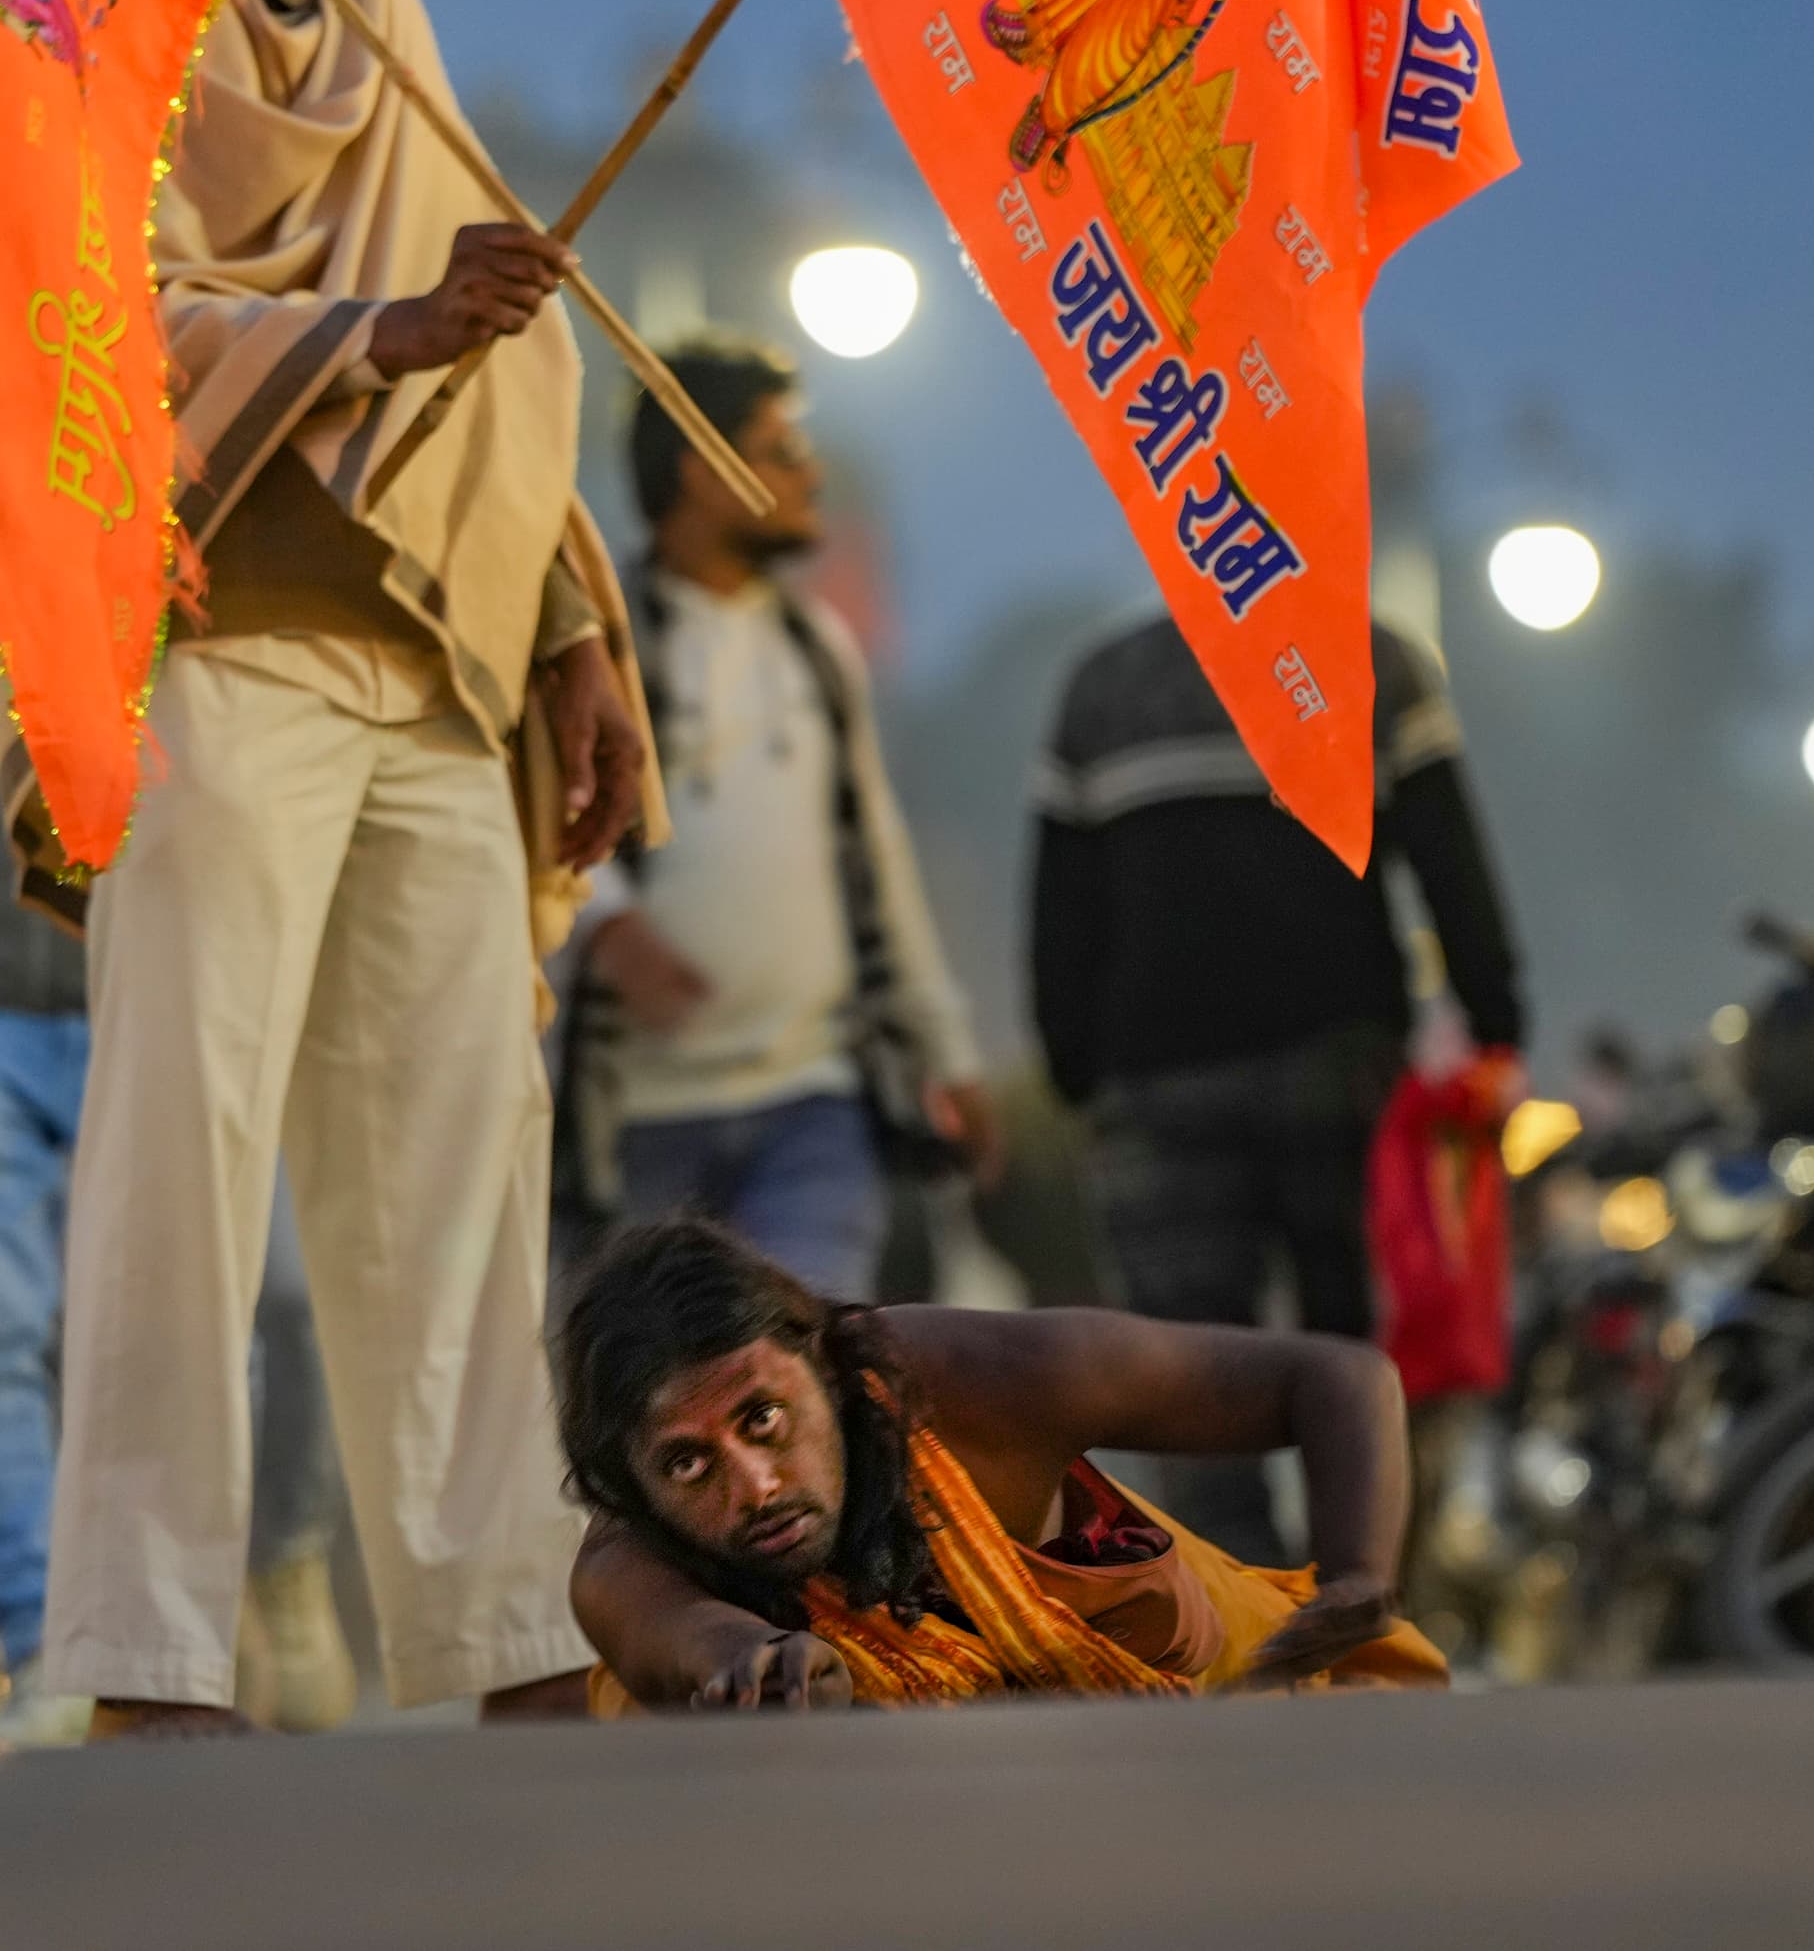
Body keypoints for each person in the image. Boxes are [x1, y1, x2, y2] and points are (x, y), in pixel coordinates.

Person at [30, 0, 656, 1736]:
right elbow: (80, 318)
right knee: (179, 1155)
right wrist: (377, 329)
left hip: (437, 673)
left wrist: (571, 631)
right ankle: (144, 1660)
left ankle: (506, 1639)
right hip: (222, 644)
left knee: (467, 1171)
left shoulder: (383, 5)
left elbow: (498, 376)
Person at [0, 443, 351, 1745]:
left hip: (166, 954)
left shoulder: (178, 456)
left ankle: (254, 1574)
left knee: (240, 1308)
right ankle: (51, 1654)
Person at [1027, 611, 1524, 1559]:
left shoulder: (1103, 684)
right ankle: (1365, 1590)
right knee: (1363, 1358)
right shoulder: (1368, 657)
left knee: (1187, 1374)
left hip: (1154, 1083)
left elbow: (1062, 903)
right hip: (1341, 1069)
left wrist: (1076, 1068)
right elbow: (1447, 850)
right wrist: (1494, 1017)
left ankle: (1240, 1607)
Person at [553, 1214, 1445, 1709]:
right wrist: (757, 1663)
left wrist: (1360, 1574)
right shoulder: (624, 1568)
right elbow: (689, 1640)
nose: (756, 1487)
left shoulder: (969, 1377)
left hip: (1279, 1729)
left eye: (764, 1419)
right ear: (631, 1485)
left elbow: (1337, 1378)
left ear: (823, 1365)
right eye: (688, 1466)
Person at [552, 338, 988, 1300]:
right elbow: (538, 811)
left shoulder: (817, 648)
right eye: (780, 451)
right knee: (660, 1373)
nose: (810, 476)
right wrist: (608, 925)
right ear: (701, 472)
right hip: (635, 1121)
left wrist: (947, 1053)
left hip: (814, 1101)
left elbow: (877, 857)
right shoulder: (597, 640)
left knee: (799, 1345)